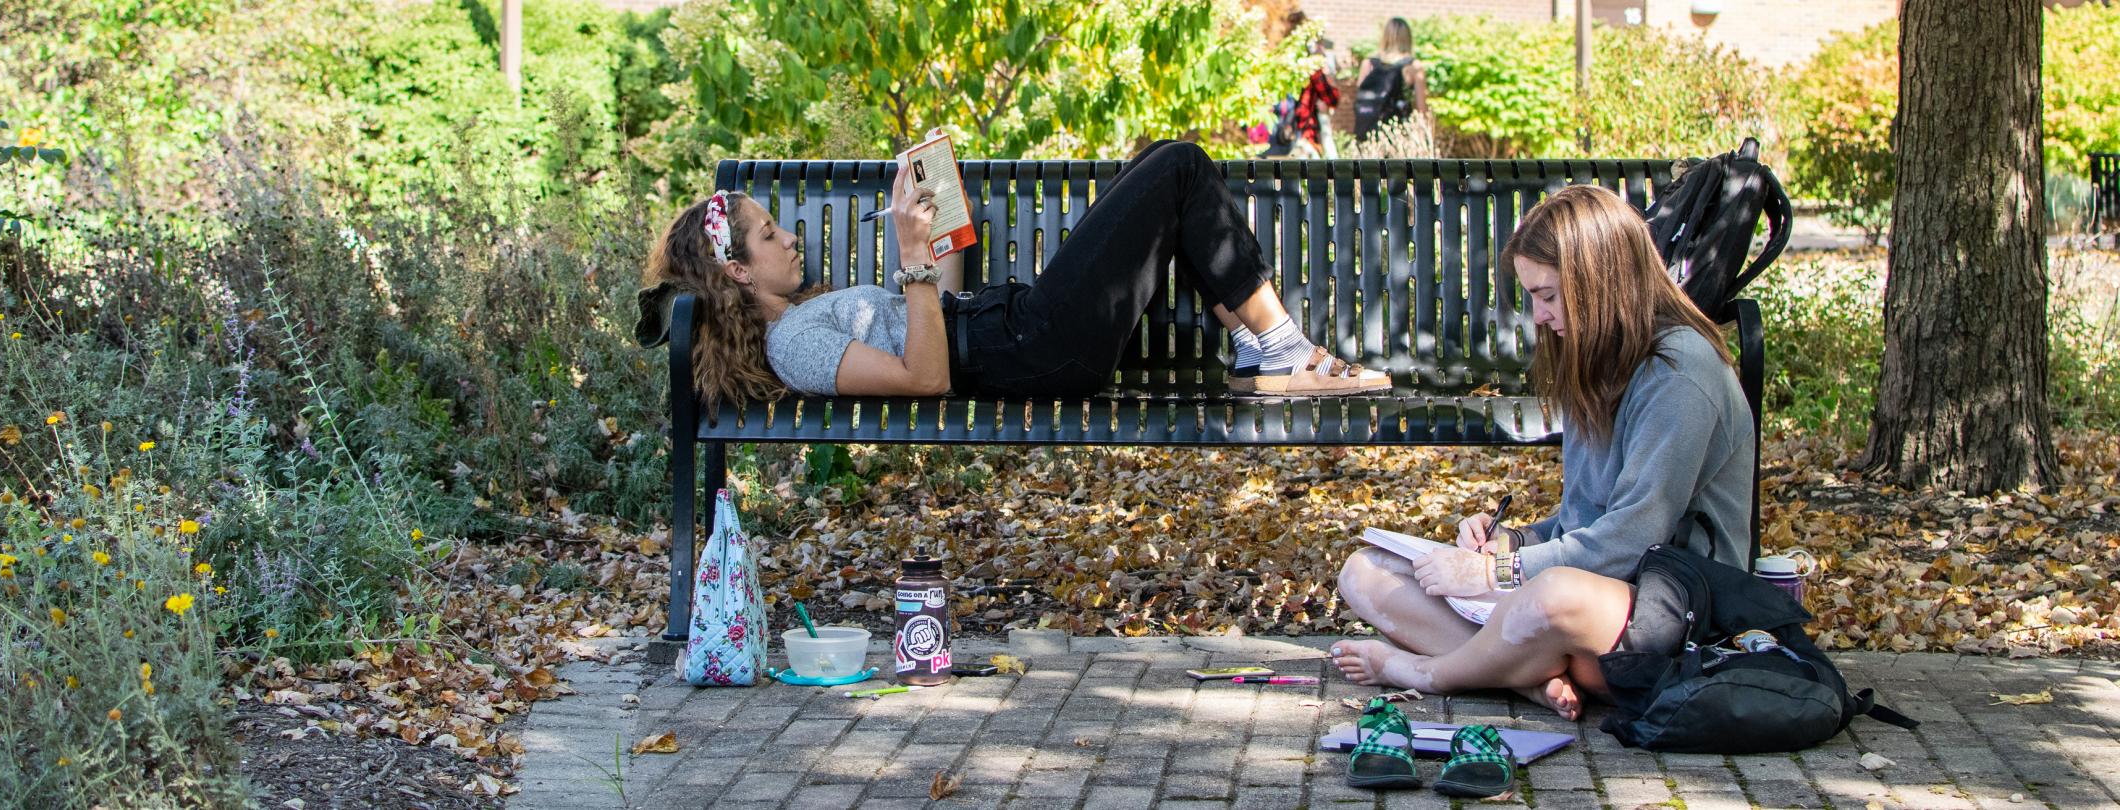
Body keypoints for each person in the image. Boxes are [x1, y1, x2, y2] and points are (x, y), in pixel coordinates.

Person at [1327, 184, 1756, 721]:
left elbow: (1633, 538)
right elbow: (1586, 520)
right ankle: (1526, 678)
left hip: (1668, 622)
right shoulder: (1599, 360)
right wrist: (1514, 538)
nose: (1539, 315)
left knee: (1549, 595)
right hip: (1581, 611)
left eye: (1549, 296)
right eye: (1532, 296)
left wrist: (1494, 575)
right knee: (1366, 572)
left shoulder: (1679, 375)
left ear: (1603, 285)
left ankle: (1426, 671)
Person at [633, 140, 1391, 405]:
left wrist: (935, 205)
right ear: (736, 271)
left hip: (1020, 328)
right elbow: (929, 379)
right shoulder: (792, 345)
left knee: (1162, 162)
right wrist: (910, 263)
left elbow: (943, 308)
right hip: (1032, 346)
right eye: (769, 236)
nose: (791, 239)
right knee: (1179, 167)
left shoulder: (805, 316)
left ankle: (1264, 348)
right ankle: (1278, 349)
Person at [1352, 17, 1432, 141]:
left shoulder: (1368, 63)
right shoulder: (1413, 66)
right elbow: (1421, 108)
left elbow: (1360, 97)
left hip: (1369, 132)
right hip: (1399, 133)